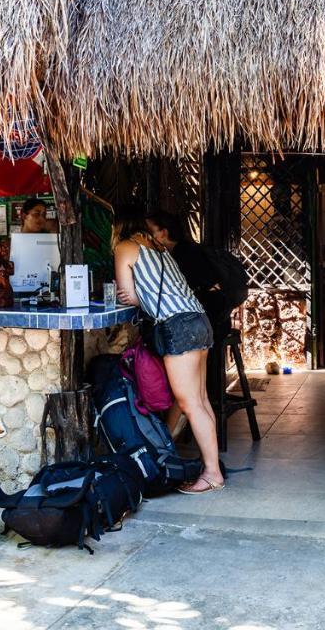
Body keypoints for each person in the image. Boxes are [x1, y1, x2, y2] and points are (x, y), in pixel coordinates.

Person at [113, 205, 224, 494]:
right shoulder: (159, 247)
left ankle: (212, 474)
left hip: (177, 325)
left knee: (190, 403)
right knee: (201, 400)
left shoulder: (125, 247)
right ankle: (211, 465)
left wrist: (133, 296)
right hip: (199, 320)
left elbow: (128, 296)